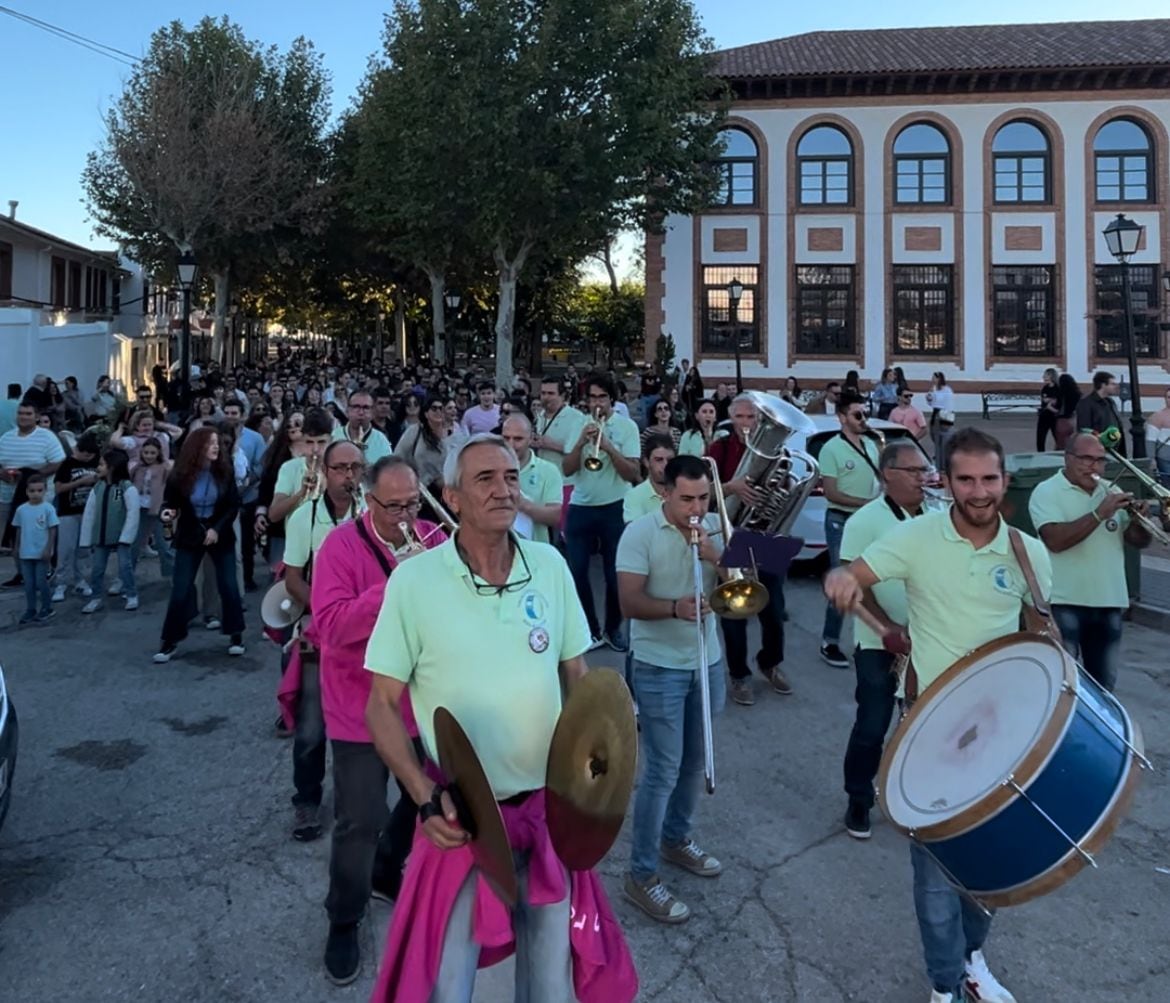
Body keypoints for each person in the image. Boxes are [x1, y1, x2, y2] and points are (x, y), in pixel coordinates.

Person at [364, 434, 634, 1003]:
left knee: (551, 980)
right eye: (484, 479)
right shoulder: (413, 582)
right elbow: (381, 705)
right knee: (450, 984)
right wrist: (421, 795)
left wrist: (603, 774)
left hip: (548, 811)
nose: (503, 489)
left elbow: (579, 679)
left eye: (510, 477)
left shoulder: (552, 566)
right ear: (453, 497)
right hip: (462, 818)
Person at [825, 427, 1049, 1003]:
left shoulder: (1029, 552)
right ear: (945, 482)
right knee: (932, 871)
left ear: (1005, 481)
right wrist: (844, 580)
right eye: (966, 479)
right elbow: (857, 575)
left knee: (991, 864)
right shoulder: (918, 537)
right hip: (928, 723)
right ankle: (944, 983)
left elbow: (1040, 636)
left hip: (1004, 732)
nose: (979, 491)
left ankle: (972, 956)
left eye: (990, 479)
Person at [310, 456, 448, 984]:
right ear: (369, 501)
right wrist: (394, 585)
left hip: (423, 702)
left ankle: (387, 870)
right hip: (359, 707)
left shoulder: (435, 537)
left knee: (426, 801)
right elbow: (330, 627)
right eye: (395, 506)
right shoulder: (340, 548)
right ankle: (343, 918)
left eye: (414, 502)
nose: (407, 514)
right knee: (359, 820)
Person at [616, 454, 726, 923]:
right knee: (662, 769)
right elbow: (628, 601)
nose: (696, 508)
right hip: (659, 665)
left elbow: (743, 585)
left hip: (709, 660)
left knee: (695, 760)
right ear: (664, 493)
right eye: (686, 499)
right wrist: (675, 609)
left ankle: (676, 839)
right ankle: (640, 875)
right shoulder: (639, 533)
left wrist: (717, 556)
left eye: (703, 497)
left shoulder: (717, 527)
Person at [839, 440, 929, 840]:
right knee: (872, 726)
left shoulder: (938, 516)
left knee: (924, 727)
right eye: (913, 471)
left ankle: (918, 799)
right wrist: (887, 629)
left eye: (924, 471)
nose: (923, 478)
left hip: (929, 640)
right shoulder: (865, 520)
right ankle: (859, 798)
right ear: (888, 474)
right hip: (880, 643)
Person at [283, 440, 367, 843]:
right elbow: (293, 577)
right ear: (326, 471)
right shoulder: (304, 517)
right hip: (321, 632)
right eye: (341, 468)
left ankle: (363, 803)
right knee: (312, 729)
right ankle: (307, 801)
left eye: (355, 468)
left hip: (369, 637)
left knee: (371, 725)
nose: (348, 476)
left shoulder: (372, 515)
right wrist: (328, 611)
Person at [1029, 433, 1157, 692]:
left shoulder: (1112, 490)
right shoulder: (1046, 492)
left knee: (1104, 688)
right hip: (1065, 601)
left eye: (1100, 460)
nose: (1094, 466)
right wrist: (1100, 513)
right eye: (1086, 459)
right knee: (1063, 686)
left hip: (1109, 602)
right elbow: (1055, 540)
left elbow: (1137, 541)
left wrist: (1138, 522)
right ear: (1067, 458)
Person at [707, 394, 792, 701]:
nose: (746, 423)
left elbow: (785, 491)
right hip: (729, 535)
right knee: (734, 611)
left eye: (751, 418)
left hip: (764, 537)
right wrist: (732, 487)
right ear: (732, 420)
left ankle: (770, 663)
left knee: (774, 610)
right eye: (740, 417)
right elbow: (702, 494)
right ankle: (739, 675)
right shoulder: (719, 449)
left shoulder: (779, 453)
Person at [563, 372, 641, 650]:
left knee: (614, 574)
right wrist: (581, 443)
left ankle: (613, 628)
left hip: (615, 507)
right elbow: (567, 468)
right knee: (577, 571)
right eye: (592, 397)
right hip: (581, 507)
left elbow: (632, 473)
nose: (597, 404)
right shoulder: (578, 425)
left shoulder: (626, 427)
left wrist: (608, 447)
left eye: (602, 397)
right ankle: (590, 629)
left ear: (612, 399)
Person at [154, 427, 246, 663]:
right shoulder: (180, 474)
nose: (216, 447)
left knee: (228, 585)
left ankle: (236, 635)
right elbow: (170, 501)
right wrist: (167, 512)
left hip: (219, 532)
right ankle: (170, 640)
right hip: (190, 533)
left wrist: (217, 529)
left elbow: (233, 505)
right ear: (197, 447)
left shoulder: (225, 471)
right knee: (181, 588)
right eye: (210, 443)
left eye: (217, 443)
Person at [816, 390, 881, 669]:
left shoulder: (871, 444)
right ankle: (829, 640)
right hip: (841, 520)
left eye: (865, 413)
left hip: (868, 520)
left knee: (873, 580)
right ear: (841, 417)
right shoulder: (831, 448)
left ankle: (867, 639)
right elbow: (831, 492)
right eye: (857, 414)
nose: (863, 419)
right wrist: (867, 503)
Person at [0, 402, 66, 588]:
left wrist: (33, 477)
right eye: (21, 413)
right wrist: (3, 474)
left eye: (28, 413)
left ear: (36, 416)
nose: (23, 417)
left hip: (39, 497)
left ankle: (46, 570)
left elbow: (58, 462)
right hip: (9, 494)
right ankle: (21, 573)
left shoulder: (47, 437)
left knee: (39, 536)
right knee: (15, 537)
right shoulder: (6, 438)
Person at [80, 448, 140, 614]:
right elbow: (90, 513)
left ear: (112, 467)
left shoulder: (126, 487)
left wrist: (127, 536)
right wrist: (86, 539)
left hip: (121, 535)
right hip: (100, 535)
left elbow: (133, 513)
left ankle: (131, 594)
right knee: (97, 568)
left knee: (124, 566)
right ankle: (96, 597)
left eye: (101, 464)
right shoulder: (97, 487)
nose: (98, 468)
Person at [223, 399, 266, 591]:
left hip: (248, 496)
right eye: (228, 412)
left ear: (242, 415)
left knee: (247, 542)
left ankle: (247, 578)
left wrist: (247, 483)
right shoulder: (219, 435)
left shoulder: (255, 438)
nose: (231, 416)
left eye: (234, 413)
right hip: (224, 497)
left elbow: (261, 464)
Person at [51, 433, 100, 603]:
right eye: (84, 454)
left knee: (84, 549)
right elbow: (58, 488)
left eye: (91, 455)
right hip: (68, 512)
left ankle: (80, 580)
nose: (87, 458)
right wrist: (80, 482)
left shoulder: (96, 462)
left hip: (88, 512)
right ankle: (61, 582)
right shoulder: (67, 464)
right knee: (65, 549)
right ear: (78, 450)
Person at [500, 415, 563, 545]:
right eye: (506, 438)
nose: (511, 444)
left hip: (536, 551)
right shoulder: (490, 469)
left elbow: (555, 517)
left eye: (518, 439)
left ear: (530, 439)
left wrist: (522, 503)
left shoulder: (549, 470)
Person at [394, 394, 462, 501]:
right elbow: (398, 457)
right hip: (419, 491)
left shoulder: (454, 435)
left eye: (441, 408)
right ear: (426, 413)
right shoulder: (415, 431)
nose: (438, 411)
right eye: (434, 408)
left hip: (445, 493)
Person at [12, 473, 59, 624]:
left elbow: (53, 530)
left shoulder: (48, 508)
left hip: (41, 553)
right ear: (27, 491)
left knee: (41, 582)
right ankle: (30, 609)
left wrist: (48, 549)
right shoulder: (21, 510)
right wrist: (16, 547)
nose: (35, 494)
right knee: (28, 583)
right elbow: (19, 529)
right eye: (32, 491)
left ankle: (47, 607)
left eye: (39, 490)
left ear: (45, 490)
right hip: (26, 553)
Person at [129, 437, 175, 579]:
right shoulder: (137, 467)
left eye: (152, 453)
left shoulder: (164, 468)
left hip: (160, 509)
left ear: (158, 453)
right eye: (146, 452)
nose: (149, 456)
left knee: (165, 545)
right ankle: (126, 577)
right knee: (133, 545)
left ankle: (171, 576)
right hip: (139, 508)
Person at [624, 435, 675, 524]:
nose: (666, 465)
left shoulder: (685, 491)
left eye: (670, 460)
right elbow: (635, 533)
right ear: (646, 462)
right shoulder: (634, 495)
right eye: (659, 460)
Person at [333, 389, 392, 462]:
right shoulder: (334, 436)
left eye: (366, 408)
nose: (361, 412)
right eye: (356, 407)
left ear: (372, 412)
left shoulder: (382, 441)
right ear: (347, 410)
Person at [1075, 371, 1125, 455]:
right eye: (1112, 384)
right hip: (1098, 451)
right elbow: (1084, 429)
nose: (1115, 387)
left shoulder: (1110, 402)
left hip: (1115, 450)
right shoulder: (1086, 403)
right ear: (1103, 385)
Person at [924, 372, 954, 456]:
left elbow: (947, 402)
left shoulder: (946, 389)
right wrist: (929, 397)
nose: (933, 380)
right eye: (932, 378)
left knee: (943, 434)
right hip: (936, 411)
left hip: (944, 413)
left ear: (939, 379)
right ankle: (938, 451)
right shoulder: (933, 388)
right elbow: (931, 401)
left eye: (934, 378)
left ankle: (942, 453)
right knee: (933, 433)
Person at [1054, 373, 1082, 451]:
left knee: (1060, 443)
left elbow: (1058, 408)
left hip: (1062, 420)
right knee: (1071, 442)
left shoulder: (1061, 394)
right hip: (1073, 420)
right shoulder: (1077, 394)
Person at [1037, 368, 1060, 451]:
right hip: (1044, 416)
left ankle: (1059, 453)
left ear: (1051, 376)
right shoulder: (1045, 388)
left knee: (1058, 437)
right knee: (1040, 437)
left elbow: (1057, 401)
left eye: (1046, 375)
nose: (1043, 377)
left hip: (1054, 417)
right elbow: (1044, 401)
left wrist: (1050, 402)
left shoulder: (1058, 389)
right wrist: (1051, 401)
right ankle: (1040, 454)